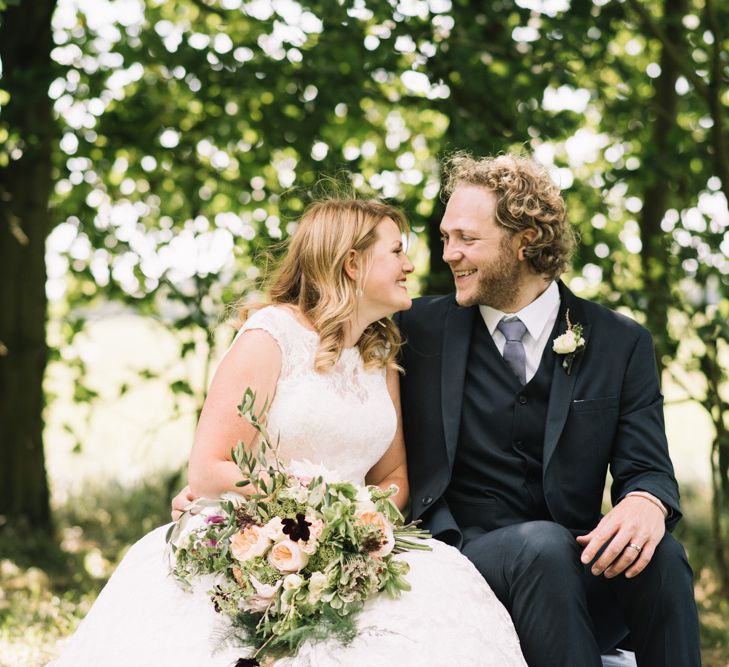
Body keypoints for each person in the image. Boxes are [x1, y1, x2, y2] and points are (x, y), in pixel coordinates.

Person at [50, 198, 527, 667]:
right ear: (353, 262)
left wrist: (358, 526)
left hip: (354, 551)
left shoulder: (379, 351)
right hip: (250, 546)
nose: (410, 264)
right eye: (397, 251)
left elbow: (393, 473)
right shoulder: (271, 335)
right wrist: (307, 511)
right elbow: (209, 468)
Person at [395, 153, 701, 667]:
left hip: (576, 569)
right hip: (465, 565)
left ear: (526, 239)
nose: (448, 254)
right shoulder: (415, 330)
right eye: (446, 237)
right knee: (542, 546)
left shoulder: (619, 343)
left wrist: (647, 500)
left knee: (662, 554)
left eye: (467, 239)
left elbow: (647, 468)